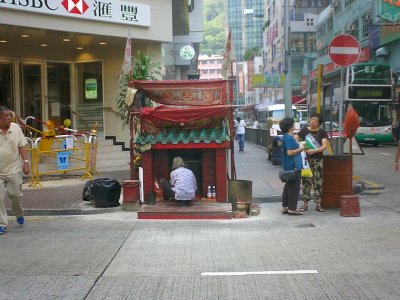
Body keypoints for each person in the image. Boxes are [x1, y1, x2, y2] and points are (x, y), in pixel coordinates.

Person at [0, 105, 30, 235]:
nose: (9, 118)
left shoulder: (16, 128)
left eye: (9, 115)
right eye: (5, 116)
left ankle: (18, 213)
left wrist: (26, 162)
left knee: (15, 195)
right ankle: (2, 223)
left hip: (14, 168)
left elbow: (22, 146)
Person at [295, 113, 328, 212]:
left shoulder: (322, 132)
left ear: (319, 123)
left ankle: (318, 204)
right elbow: (295, 138)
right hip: (306, 160)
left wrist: (314, 151)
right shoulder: (305, 130)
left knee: (318, 181)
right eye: (311, 119)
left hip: (318, 160)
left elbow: (324, 146)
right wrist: (302, 147)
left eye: (315, 120)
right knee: (306, 181)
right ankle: (305, 204)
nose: (312, 121)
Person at [280, 117, 304, 216]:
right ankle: (292, 209)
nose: (294, 125)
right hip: (293, 165)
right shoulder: (288, 138)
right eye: (293, 124)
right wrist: (301, 149)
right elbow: (290, 152)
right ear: (290, 127)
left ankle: (285, 207)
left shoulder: (288, 136)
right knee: (294, 187)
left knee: (288, 187)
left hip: (289, 165)